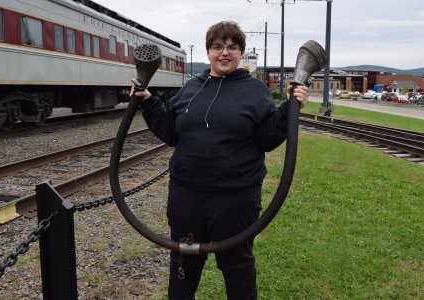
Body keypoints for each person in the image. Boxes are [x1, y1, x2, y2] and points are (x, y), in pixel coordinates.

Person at [131, 21, 309, 300]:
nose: (224, 53)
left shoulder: (255, 90)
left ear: (240, 52)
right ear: (208, 51)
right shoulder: (192, 88)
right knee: (183, 261)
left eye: (232, 47)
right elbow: (170, 132)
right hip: (187, 194)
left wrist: (289, 108)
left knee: (236, 263)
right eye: (217, 47)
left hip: (235, 196)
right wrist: (149, 101)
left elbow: (267, 139)